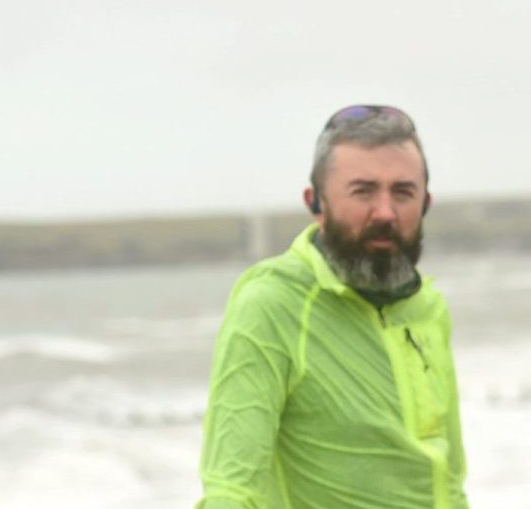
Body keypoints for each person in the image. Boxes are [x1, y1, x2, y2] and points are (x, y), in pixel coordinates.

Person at [196, 105, 470, 509]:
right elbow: (231, 488)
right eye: (363, 191)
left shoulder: (427, 307)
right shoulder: (273, 304)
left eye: (403, 192)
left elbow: (449, 478)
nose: (385, 213)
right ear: (316, 202)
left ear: (426, 202)